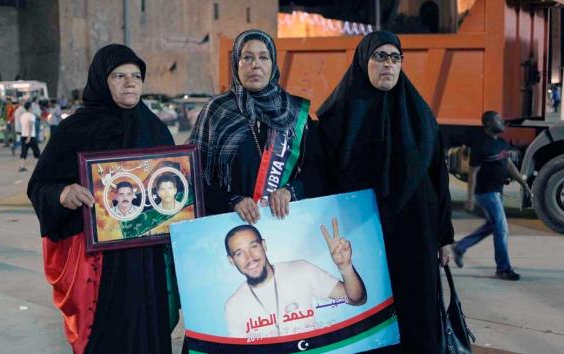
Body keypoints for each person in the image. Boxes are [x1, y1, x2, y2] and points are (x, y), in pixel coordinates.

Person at [27, 44, 179, 354]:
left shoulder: (156, 129)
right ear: (100, 80)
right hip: (101, 263)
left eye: (136, 75)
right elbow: (40, 184)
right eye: (119, 76)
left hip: (146, 257)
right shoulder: (74, 129)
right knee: (108, 335)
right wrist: (63, 193)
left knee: (149, 328)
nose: (130, 82)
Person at [317, 31, 454, 354]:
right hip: (362, 236)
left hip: (415, 234)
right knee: (369, 312)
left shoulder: (420, 116)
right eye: (380, 56)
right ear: (363, 61)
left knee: (416, 313)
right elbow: (321, 178)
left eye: (395, 58)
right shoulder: (336, 118)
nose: (388, 65)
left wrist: (444, 236)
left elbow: (439, 177)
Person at [187, 29, 325, 223]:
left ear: (273, 65)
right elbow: (192, 174)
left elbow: (318, 173)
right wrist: (231, 200)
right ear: (236, 64)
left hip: (289, 226)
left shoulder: (295, 112)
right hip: (229, 224)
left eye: (264, 58)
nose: (255, 65)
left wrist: (291, 191)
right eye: (247, 57)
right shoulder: (216, 110)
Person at [224, 220, 366, 338]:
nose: (249, 257)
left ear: (264, 245)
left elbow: (356, 299)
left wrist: (345, 266)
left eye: (253, 246)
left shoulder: (301, 270)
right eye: (239, 253)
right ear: (231, 260)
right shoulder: (234, 305)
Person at [452, 111, 532, 281]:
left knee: (492, 225)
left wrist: (523, 183)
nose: (502, 121)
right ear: (488, 123)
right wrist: (470, 198)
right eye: (498, 119)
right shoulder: (481, 145)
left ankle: (460, 247)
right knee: (501, 228)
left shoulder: (502, 143)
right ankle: (503, 269)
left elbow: (509, 165)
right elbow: (473, 173)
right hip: (486, 193)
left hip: (498, 192)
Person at [18, 102, 40, 172]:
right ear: (30, 107)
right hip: (31, 136)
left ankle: (22, 166)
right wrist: (29, 137)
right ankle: (39, 168)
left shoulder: (22, 116)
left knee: (23, 152)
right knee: (37, 152)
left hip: (23, 135)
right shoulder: (31, 115)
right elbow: (30, 125)